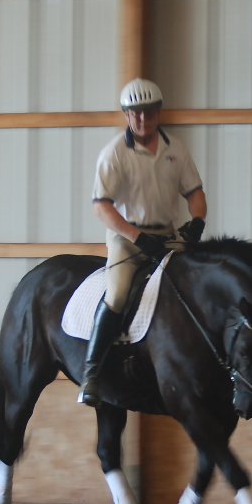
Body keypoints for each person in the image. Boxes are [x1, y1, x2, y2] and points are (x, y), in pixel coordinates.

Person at [78, 78, 207, 407]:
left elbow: (194, 193)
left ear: (158, 112)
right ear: (126, 114)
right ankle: (92, 374)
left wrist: (197, 222)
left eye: (148, 113)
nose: (142, 120)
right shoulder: (114, 154)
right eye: (135, 114)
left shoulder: (176, 150)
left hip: (167, 235)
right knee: (118, 294)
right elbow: (101, 207)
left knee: (195, 284)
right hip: (127, 238)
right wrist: (137, 238)